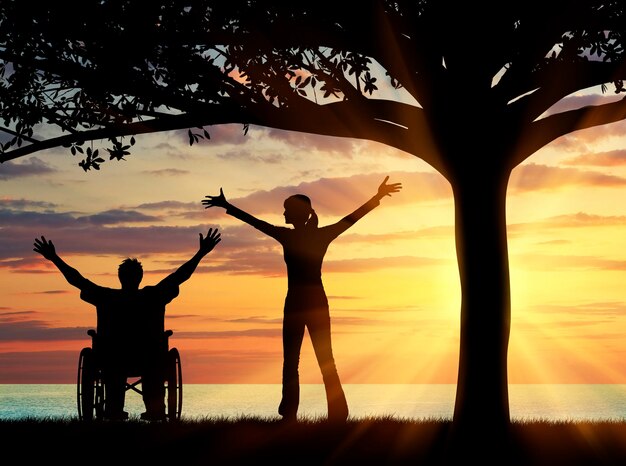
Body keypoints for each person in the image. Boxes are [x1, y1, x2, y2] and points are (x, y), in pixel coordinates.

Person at [202, 176, 402, 422]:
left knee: (293, 362)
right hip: (314, 301)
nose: (283, 213)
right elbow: (351, 219)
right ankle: (333, 413)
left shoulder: (291, 236)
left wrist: (229, 207)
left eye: (286, 210)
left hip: (298, 302)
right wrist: (378, 197)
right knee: (323, 360)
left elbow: (257, 223)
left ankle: (292, 414)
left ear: (297, 214)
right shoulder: (318, 235)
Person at [33, 228, 221, 421]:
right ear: (140, 277)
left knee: (115, 368)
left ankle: (114, 409)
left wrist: (54, 258)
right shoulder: (153, 296)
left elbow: (78, 280)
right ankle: (154, 409)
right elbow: (181, 275)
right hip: (149, 357)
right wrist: (201, 253)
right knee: (150, 365)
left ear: (120, 277)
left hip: (112, 357)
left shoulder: (107, 297)